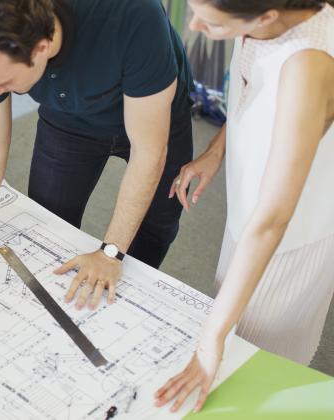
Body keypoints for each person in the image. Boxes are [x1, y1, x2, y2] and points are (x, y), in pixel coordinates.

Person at [0, 0, 194, 310]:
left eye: (5, 84)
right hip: (69, 114)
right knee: (47, 220)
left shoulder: (131, 14)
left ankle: (123, 307)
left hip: (154, 113)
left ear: (41, 47)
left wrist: (111, 253)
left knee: (152, 228)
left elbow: (149, 152)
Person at [155, 0, 334, 413]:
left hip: (288, 240)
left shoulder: (307, 66)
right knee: (229, 334)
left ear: (267, 16)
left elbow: (272, 222)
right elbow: (255, 94)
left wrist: (213, 335)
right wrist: (217, 152)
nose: (196, 26)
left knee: (257, 366)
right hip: (252, 211)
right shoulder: (260, 19)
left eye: (211, 22)